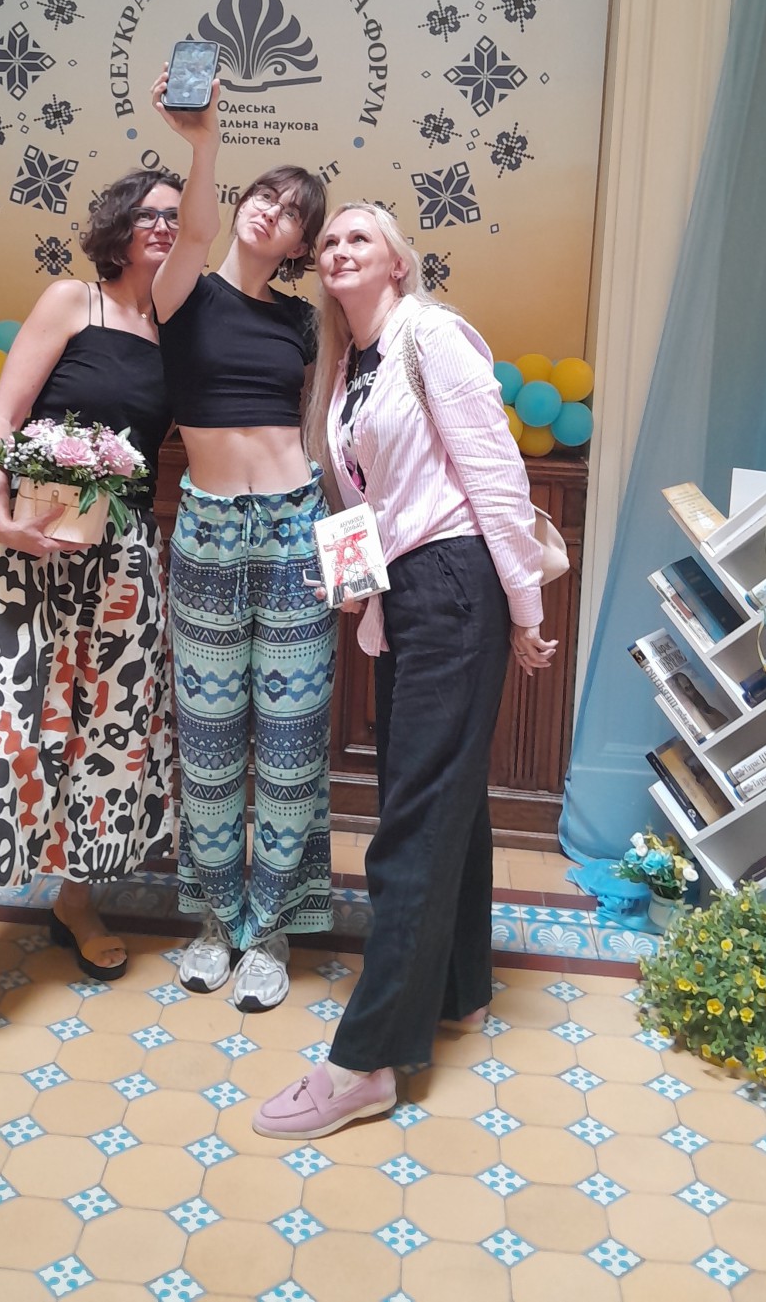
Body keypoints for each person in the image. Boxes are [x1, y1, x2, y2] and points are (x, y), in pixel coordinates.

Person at [253, 202, 556, 1134]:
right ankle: (460, 988)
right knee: (438, 794)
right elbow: (366, 496)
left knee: (412, 818)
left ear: (397, 263)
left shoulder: (432, 337)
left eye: (361, 237)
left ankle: (365, 1062)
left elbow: (495, 474)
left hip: (458, 581)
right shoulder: (349, 367)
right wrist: (353, 587)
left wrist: (526, 609)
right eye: (330, 240)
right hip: (412, 589)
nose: (340, 248)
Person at [0, 168, 182, 1038]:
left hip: (121, 563)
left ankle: (73, 898)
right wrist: (1, 509)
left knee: (103, 737)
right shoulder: (73, 300)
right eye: (147, 212)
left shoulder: (176, 330)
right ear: (118, 224)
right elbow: (6, 412)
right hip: (23, 553)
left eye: (175, 215)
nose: (162, 225)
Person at [150, 65, 336, 1012]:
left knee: (293, 749)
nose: (273, 211)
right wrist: (205, 142)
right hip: (210, 535)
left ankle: (270, 931)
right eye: (266, 194)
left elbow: (329, 429)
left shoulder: (303, 321)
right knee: (212, 744)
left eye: (293, 210)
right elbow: (190, 229)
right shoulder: (185, 291)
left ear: (302, 244)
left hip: (297, 530)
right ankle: (217, 921)